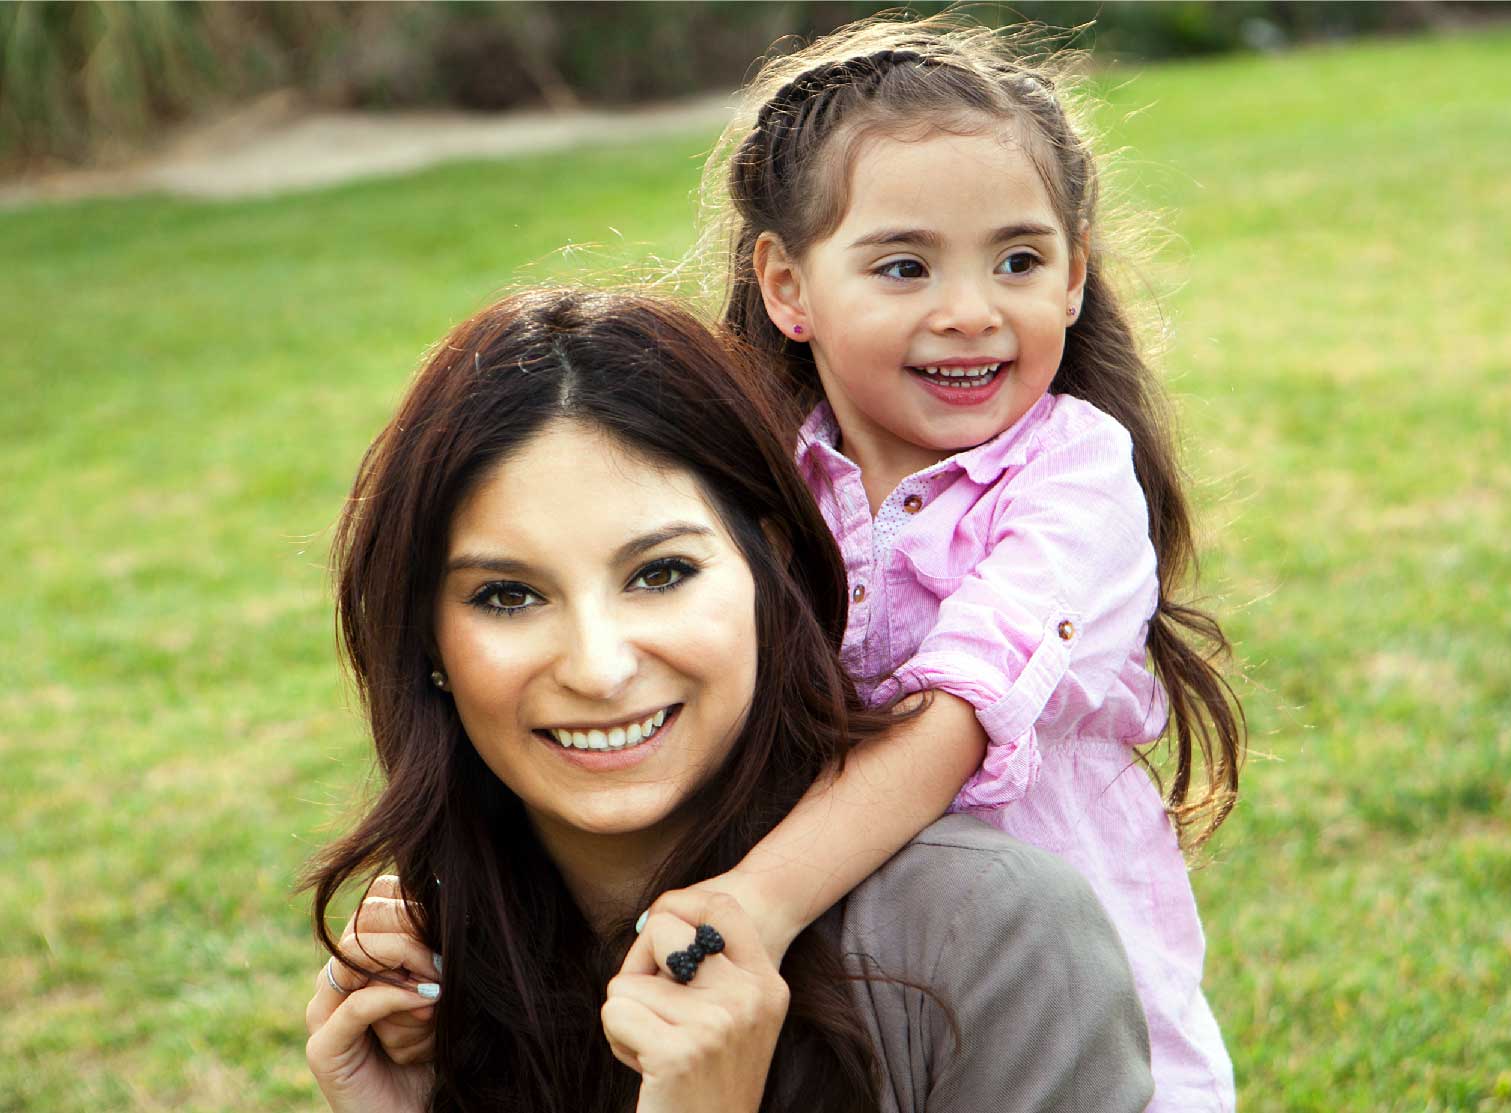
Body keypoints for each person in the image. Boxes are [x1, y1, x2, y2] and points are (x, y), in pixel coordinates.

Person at [301, 286, 1155, 1112]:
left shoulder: (988, 933)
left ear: (770, 572)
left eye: (661, 573)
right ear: (428, 641)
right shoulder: (435, 977)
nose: (599, 669)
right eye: (507, 596)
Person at [655, 15, 1247, 1112]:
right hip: (846, 995)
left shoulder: (1074, 477)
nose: (970, 311)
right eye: (903, 265)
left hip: (1061, 1018)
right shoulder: (761, 483)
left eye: (1018, 260)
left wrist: (753, 901)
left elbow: (960, 712)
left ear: (1074, 277)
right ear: (788, 288)